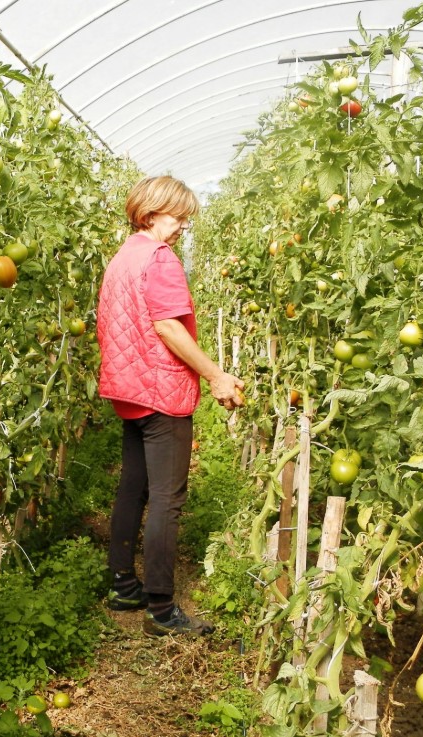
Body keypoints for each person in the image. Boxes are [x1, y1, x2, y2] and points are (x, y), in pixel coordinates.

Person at [96, 175, 243, 637]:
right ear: (152, 211)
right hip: (160, 389)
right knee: (167, 499)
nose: (182, 226)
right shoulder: (159, 259)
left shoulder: (123, 257)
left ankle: (123, 585)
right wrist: (216, 376)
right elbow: (170, 329)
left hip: (128, 386)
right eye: (178, 216)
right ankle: (161, 610)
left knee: (133, 486)